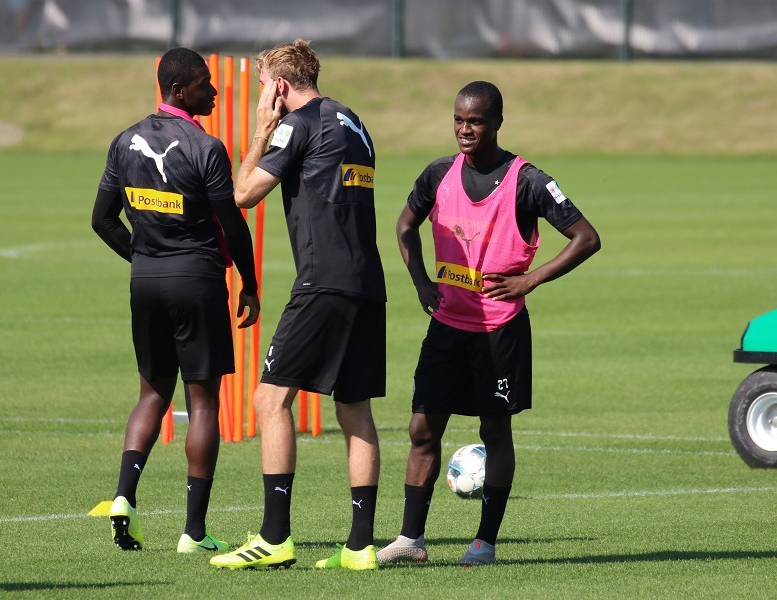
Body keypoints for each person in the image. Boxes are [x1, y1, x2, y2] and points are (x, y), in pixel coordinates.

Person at [377, 81, 601, 566]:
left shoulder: (529, 181)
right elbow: (403, 226)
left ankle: (485, 543)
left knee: (495, 432)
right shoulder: (438, 173)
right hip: (448, 327)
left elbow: (586, 237)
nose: (464, 129)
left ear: (497, 122)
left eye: (475, 121)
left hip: (500, 331)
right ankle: (410, 541)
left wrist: (531, 280)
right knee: (421, 428)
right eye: (458, 119)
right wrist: (420, 282)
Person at [209, 39, 386, 571]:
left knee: (268, 401)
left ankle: (274, 538)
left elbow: (242, 194)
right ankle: (360, 548)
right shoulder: (354, 121)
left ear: (280, 86)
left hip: (323, 282)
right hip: (366, 283)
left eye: (264, 86)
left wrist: (261, 129)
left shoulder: (297, 122)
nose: (263, 95)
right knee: (355, 409)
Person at [91, 47, 260, 554]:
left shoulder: (124, 142)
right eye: (206, 84)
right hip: (197, 280)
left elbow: (101, 219)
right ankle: (194, 531)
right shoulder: (206, 147)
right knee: (203, 401)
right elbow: (232, 224)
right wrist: (250, 284)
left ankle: (124, 497)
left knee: (151, 394)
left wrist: (144, 257)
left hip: (145, 281)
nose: (213, 91)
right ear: (180, 90)